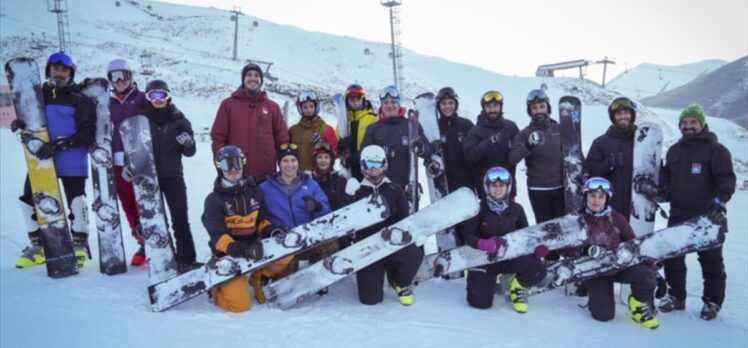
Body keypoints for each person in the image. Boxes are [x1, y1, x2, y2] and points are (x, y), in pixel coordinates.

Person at [651, 104, 736, 321]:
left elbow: (726, 179)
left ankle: (712, 302)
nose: (688, 126)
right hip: (679, 214)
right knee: (673, 258)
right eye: (684, 123)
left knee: (711, 261)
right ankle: (676, 296)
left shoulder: (717, 150)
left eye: (693, 122)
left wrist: (720, 200)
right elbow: (667, 187)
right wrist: (657, 192)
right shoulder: (674, 151)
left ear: (701, 124)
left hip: (708, 216)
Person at [14, 52, 95, 269]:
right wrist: (20, 124)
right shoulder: (39, 95)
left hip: (71, 158)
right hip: (41, 160)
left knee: (76, 202)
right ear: (48, 70)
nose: (58, 73)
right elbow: (31, 120)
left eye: (64, 70)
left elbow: (88, 134)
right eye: (55, 69)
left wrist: (59, 145)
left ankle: (79, 245)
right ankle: (38, 247)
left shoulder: (80, 99)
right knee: (28, 201)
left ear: (71, 73)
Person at [564, 177, 659, 329]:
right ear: (586, 196)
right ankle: (596, 301)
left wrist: (654, 271)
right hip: (596, 271)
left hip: (619, 266)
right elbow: (565, 248)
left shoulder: (616, 218)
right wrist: (584, 249)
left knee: (646, 275)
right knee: (604, 316)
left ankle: (638, 306)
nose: (596, 200)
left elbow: (634, 245)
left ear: (606, 199)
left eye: (601, 197)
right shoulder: (577, 220)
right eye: (592, 196)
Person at [458, 167, 545, 313]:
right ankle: (485, 280)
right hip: (484, 259)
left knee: (538, 270)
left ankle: (517, 285)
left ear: (508, 187)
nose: (498, 189)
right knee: (480, 303)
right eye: (494, 186)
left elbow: (525, 235)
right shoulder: (478, 209)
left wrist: (535, 251)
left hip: (509, 257)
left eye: (501, 186)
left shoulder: (517, 209)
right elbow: (466, 235)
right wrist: (481, 243)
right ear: (487, 187)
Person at [136, 79, 199, 273]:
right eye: (153, 95)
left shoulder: (179, 119)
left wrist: (189, 144)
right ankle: (164, 257)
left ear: (168, 96)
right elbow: (135, 149)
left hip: (173, 176)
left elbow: (190, 152)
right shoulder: (141, 120)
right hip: (149, 178)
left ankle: (187, 259)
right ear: (147, 98)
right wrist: (132, 166)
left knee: (180, 220)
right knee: (155, 221)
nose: (158, 99)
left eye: (161, 95)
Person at [202, 145, 274, 313]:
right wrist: (240, 250)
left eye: (237, 164)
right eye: (227, 165)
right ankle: (216, 289)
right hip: (228, 253)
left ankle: (257, 277)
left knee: (287, 251)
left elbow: (262, 219)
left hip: (253, 246)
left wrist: (270, 231)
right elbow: (217, 235)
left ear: (243, 165)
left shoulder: (255, 192)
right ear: (219, 168)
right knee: (240, 306)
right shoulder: (213, 200)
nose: (233, 169)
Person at [254, 143, 331, 301]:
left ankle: (318, 278)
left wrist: (317, 206)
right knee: (285, 292)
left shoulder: (311, 184)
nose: (290, 165)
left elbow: (327, 210)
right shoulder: (265, 188)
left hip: (307, 238)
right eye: (285, 161)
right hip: (283, 242)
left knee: (331, 244)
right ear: (279, 164)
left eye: (293, 160)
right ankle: (267, 274)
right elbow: (257, 216)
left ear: (298, 162)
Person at [352, 145, 423, 306]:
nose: (374, 170)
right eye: (369, 164)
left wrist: (408, 236)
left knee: (414, 252)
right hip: (368, 248)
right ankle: (375, 274)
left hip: (392, 242)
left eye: (377, 164)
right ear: (363, 167)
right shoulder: (357, 191)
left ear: (384, 165)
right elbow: (347, 225)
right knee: (370, 299)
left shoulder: (394, 189)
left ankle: (400, 282)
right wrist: (348, 197)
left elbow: (405, 218)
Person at [509, 89, 565, 262]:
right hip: (538, 188)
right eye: (534, 108)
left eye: (542, 106)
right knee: (545, 228)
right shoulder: (524, 133)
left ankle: (568, 260)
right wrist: (528, 145)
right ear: (530, 111)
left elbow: (573, 152)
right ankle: (550, 260)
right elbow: (512, 158)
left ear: (547, 108)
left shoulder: (559, 128)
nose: (538, 110)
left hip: (561, 186)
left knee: (563, 227)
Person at [211, 63, 289, 181]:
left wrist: (285, 166)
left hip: (266, 174)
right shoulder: (228, 105)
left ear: (261, 80)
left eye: (257, 75)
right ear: (243, 79)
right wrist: (222, 166)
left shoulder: (272, 107)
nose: (253, 78)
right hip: (236, 173)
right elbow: (218, 138)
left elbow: (282, 139)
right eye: (249, 75)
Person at [105, 58, 149, 266]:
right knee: (129, 203)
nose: (120, 81)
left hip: (141, 158)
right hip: (118, 159)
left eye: (124, 75)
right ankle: (142, 242)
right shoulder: (107, 101)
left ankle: (156, 238)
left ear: (131, 77)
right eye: (115, 77)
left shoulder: (141, 98)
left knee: (148, 201)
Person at [361, 85, 431, 198]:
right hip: (380, 188)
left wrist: (421, 148)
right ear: (381, 106)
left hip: (407, 188)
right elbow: (363, 153)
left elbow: (428, 150)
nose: (390, 106)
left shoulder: (411, 125)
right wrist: (382, 152)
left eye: (393, 102)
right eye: (386, 103)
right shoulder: (373, 129)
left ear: (399, 104)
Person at [583, 97, 637, 220]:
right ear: (613, 117)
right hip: (610, 206)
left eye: (626, 112)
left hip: (637, 208)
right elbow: (590, 172)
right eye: (619, 113)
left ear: (632, 115)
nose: (623, 116)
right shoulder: (600, 143)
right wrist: (609, 163)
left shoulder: (643, 140)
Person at [463, 91, 519, 199]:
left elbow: (518, 154)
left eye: (495, 106)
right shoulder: (475, 132)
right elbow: (469, 158)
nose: (492, 110)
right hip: (485, 190)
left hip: (508, 188)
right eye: (488, 106)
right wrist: (488, 143)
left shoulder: (511, 127)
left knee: (512, 215)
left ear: (501, 107)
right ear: (483, 108)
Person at [311, 141, 358, 248]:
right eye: (320, 157)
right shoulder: (310, 183)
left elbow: (348, 206)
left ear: (331, 160)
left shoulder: (340, 180)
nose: (323, 160)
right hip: (320, 231)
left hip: (341, 228)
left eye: (326, 157)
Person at [434, 87, 474, 192]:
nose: (447, 107)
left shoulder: (466, 125)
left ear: (456, 105)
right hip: (443, 182)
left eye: (451, 103)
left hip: (465, 182)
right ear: (438, 106)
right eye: (444, 103)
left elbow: (475, 152)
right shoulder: (434, 127)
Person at [288, 90, 338, 171]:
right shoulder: (293, 131)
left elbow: (335, 154)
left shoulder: (327, 129)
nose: (308, 110)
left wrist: (322, 145)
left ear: (316, 107)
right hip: (298, 176)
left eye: (311, 106)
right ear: (300, 109)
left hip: (319, 177)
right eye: (305, 107)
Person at [338, 84, 379, 181]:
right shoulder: (343, 121)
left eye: (358, 99)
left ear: (363, 100)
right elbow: (335, 146)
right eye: (352, 99)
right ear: (347, 101)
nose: (355, 102)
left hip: (369, 167)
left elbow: (378, 143)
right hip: (349, 168)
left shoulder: (373, 119)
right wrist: (340, 145)